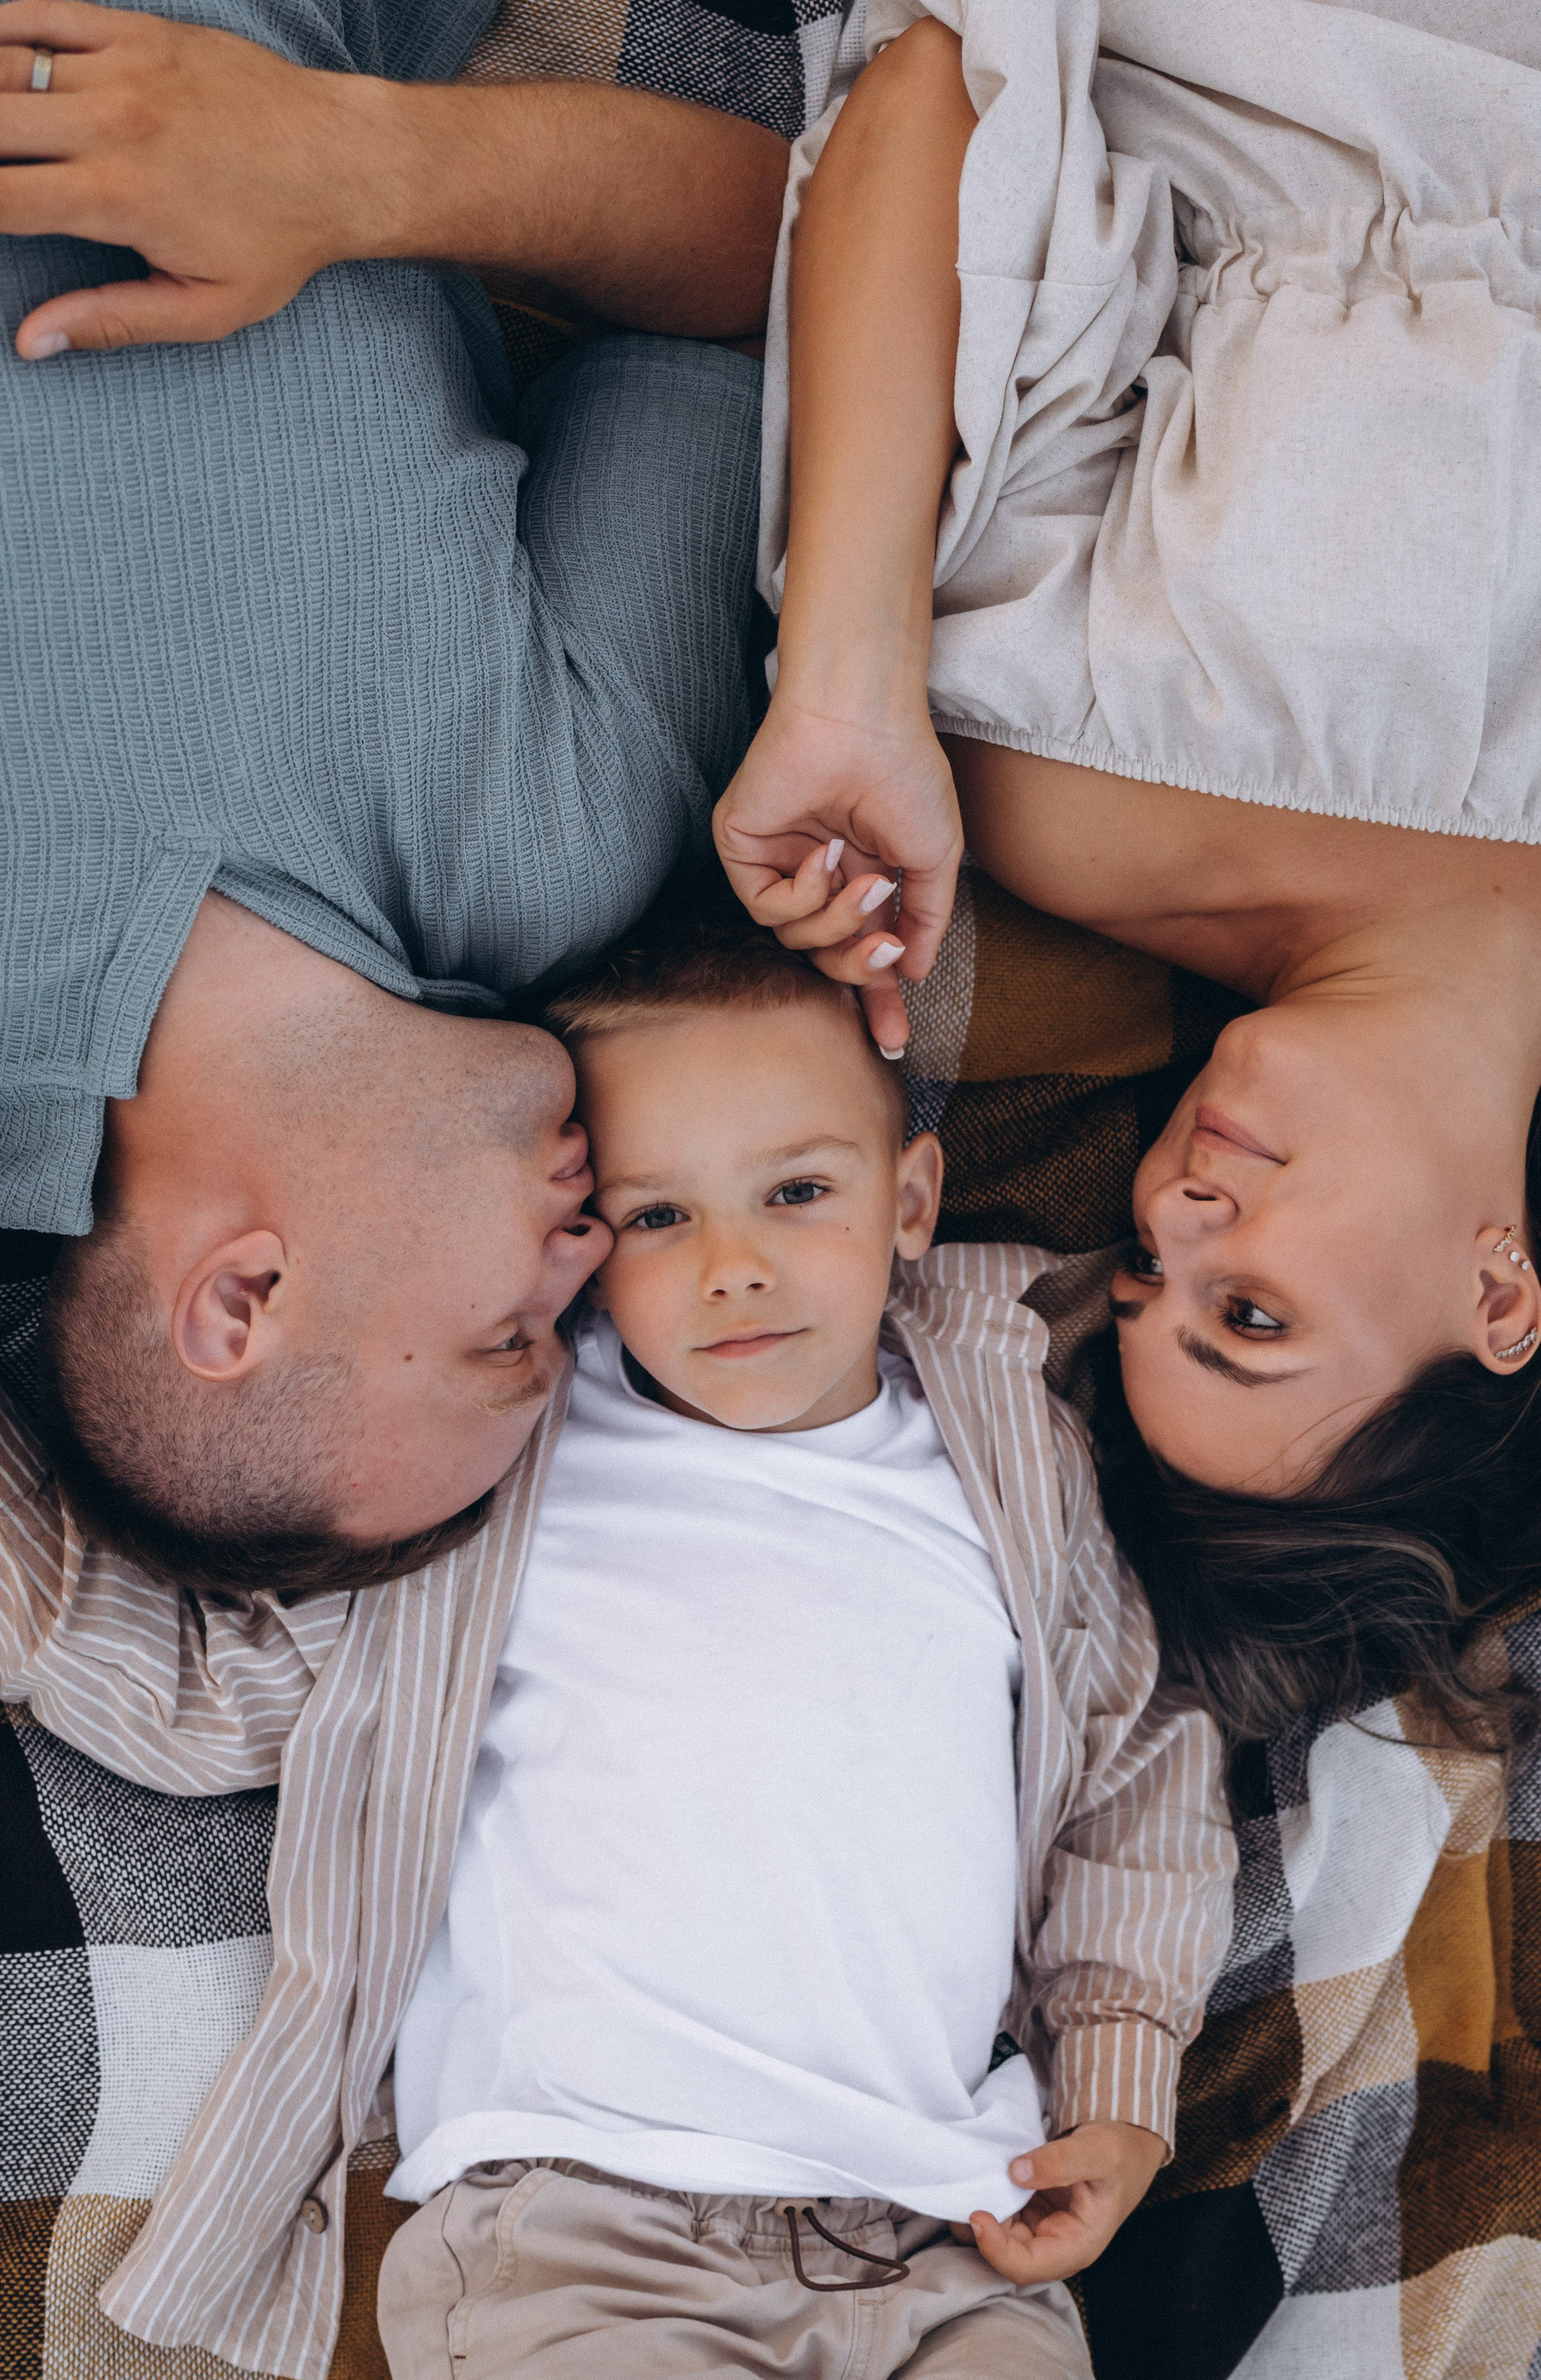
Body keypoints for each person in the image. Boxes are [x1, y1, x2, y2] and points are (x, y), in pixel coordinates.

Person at [0, 897, 1235, 2380]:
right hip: (582, 2218)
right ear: (575, 1244)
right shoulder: (494, 1476)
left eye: (798, 1193)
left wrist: (1124, 2084)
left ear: (910, 1199)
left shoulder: (1019, 1436)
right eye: (658, 1216)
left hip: (945, 2225)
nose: (732, 1268)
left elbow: (1136, 1763)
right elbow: (180, 1688)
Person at [712, 0, 1541, 1748]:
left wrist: (848, 671)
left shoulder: (1075, 794)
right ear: (1500, 1297)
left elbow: (932, 91)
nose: (1169, 1213)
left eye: (1149, 1278)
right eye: (1248, 1309)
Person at [0, 0, 788, 1578]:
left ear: (242, 1299)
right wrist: (363, 166)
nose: (590, 1254)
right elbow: (776, 282)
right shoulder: (563, 839)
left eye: (508, 1337)